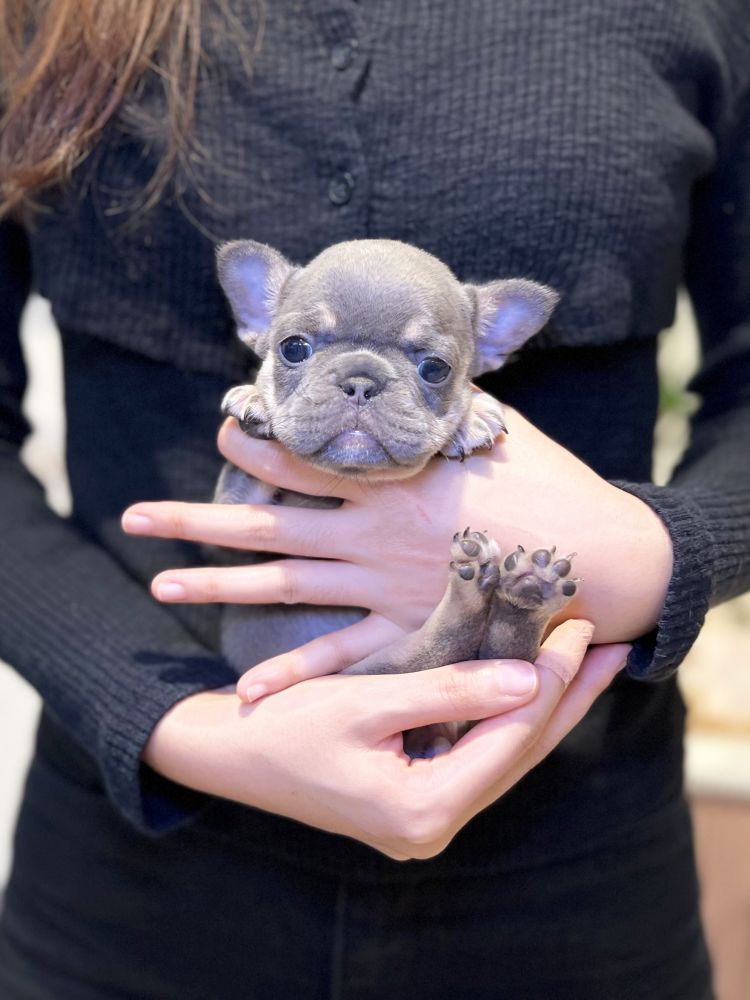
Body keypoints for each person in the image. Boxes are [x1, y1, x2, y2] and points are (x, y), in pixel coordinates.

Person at [0, 2, 747, 996]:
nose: (358, 387)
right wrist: (167, 718)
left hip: (576, 868)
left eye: (429, 367)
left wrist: (656, 552)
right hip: (128, 878)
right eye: (302, 349)